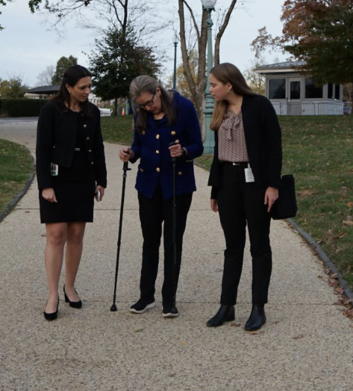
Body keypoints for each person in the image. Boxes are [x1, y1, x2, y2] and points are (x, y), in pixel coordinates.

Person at [206, 63, 282, 332]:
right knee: (232, 246)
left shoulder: (259, 105)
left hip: (256, 184)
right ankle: (227, 306)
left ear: (229, 84)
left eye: (214, 84)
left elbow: (274, 147)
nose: (210, 89)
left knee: (259, 246)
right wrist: (215, 190)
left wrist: (272, 186)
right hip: (228, 183)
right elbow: (217, 156)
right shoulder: (220, 111)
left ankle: (258, 307)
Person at [119, 75, 203, 318]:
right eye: (141, 105)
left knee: (173, 242)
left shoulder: (183, 107)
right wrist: (130, 152)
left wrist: (184, 151)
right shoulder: (141, 113)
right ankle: (146, 296)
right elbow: (139, 145)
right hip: (148, 186)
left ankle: (170, 299)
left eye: (149, 102)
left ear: (158, 91)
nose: (146, 108)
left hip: (178, 185)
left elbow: (197, 145)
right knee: (150, 241)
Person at [36, 65, 107, 321]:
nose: (88, 91)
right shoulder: (50, 110)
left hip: (83, 178)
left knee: (76, 234)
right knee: (56, 235)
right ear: (68, 87)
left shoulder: (92, 112)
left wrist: (101, 180)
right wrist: (45, 185)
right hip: (57, 178)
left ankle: (70, 287)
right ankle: (52, 294)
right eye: (82, 87)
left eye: (89, 86)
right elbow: (42, 149)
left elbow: (97, 147)